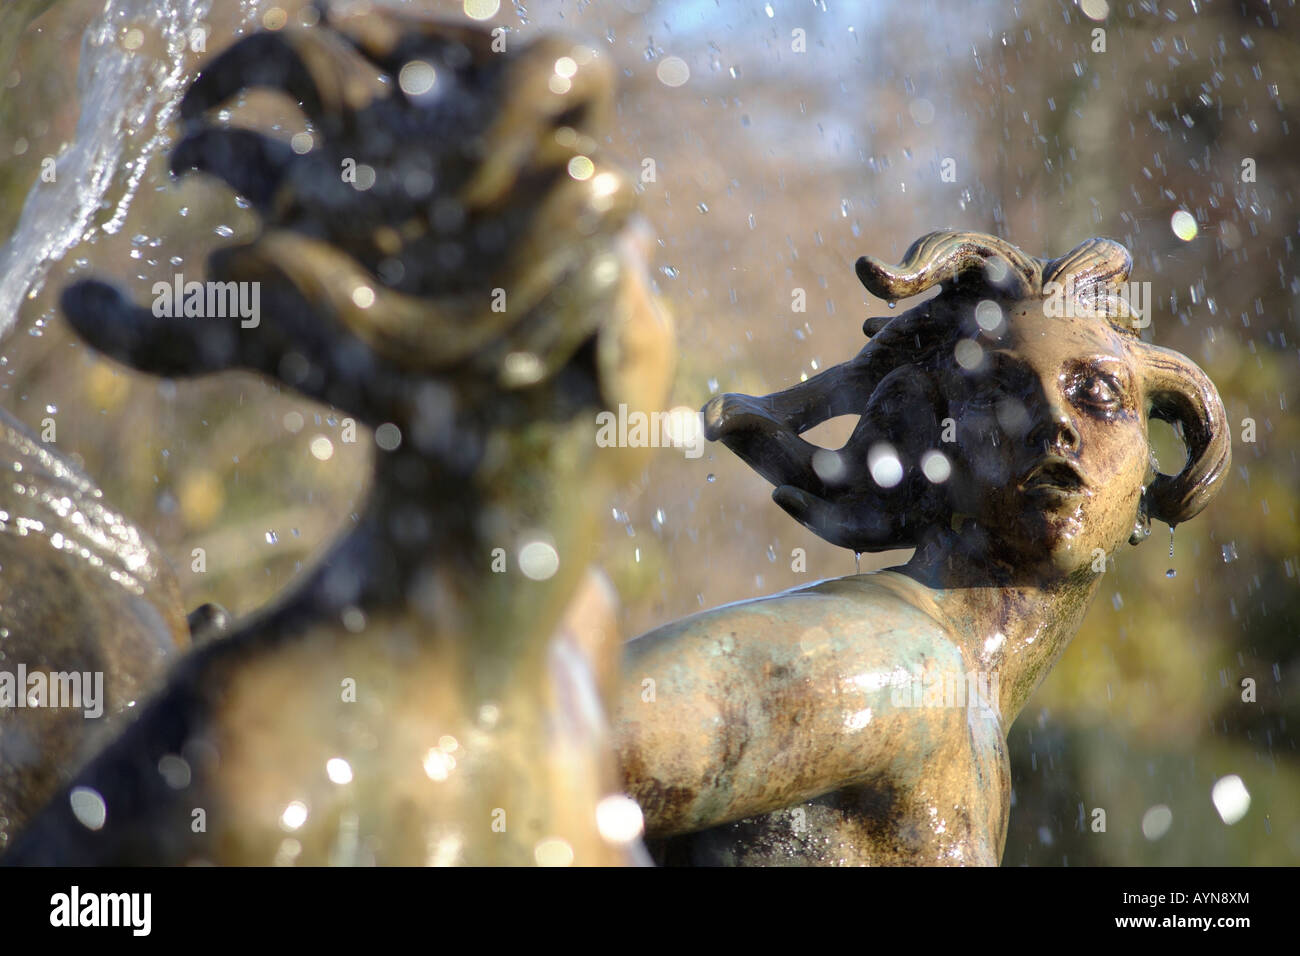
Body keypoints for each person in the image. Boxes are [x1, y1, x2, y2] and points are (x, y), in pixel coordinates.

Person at [617, 230, 1231, 865]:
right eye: (1000, 391)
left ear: (1148, 481)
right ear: (933, 447)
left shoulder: (964, 709)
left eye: (1098, 393)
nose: (1056, 421)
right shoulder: (899, 664)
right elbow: (543, 745)